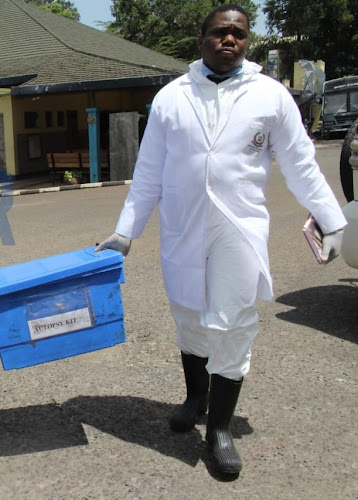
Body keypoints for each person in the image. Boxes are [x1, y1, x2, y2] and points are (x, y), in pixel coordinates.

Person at [97, 4, 347, 477]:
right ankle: (195, 397)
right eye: (219, 32)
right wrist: (125, 231)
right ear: (202, 39)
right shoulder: (172, 97)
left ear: (247, 41)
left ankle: (220, 428)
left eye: (238, 33)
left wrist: (332, 220)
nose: (229, 39)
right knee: (188, 315)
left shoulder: (269, 96)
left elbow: (300, 164)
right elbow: (148, 172)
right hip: (183, 227)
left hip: (238, 228)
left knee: (233, 323)